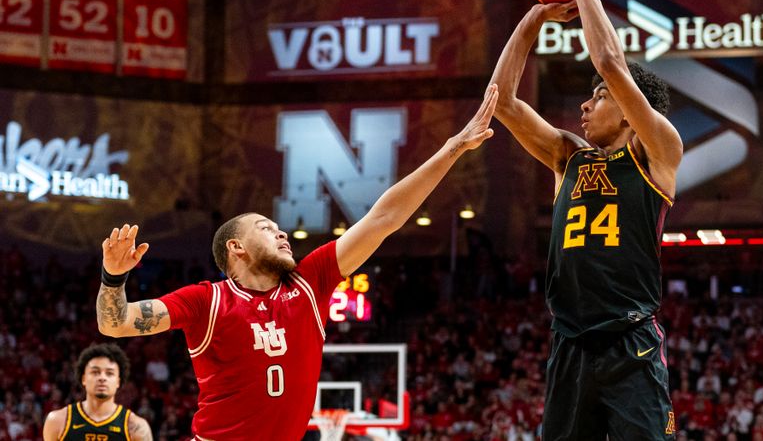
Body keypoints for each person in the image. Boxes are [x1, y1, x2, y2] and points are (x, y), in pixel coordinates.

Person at [95, 85, 499, 441]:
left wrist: (451, 150)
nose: (281, 233)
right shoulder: (207, 301)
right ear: (237, 247)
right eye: (266, 228)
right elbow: (114, 323)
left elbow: (384, 217)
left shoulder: (310, 280)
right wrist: (113, 276)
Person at [490, 0, 683, 440]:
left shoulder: (658, 151)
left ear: (626, 109)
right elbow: (502, 102)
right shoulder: (568, 157)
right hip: (570, 344)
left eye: (596, 98)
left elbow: (609, 63)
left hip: (631, 343)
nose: (584, 105)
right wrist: (532, 19)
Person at [42, 343, 152, 441]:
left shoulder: (136, 427)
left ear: (118, 381)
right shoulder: (58, 421)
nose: (102, 378)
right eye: (95, 372)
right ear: (83, 378)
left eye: (109, 373)